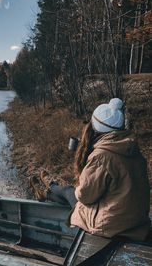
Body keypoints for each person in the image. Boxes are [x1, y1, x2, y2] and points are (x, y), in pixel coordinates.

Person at [30, 98, 151, 241]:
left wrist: (81, 180)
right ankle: (46, 192)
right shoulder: (132, 149)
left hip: (112, 224)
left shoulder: (102, 156)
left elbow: (85, 197)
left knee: (70, 191)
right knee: (71, 193)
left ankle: (50, 186)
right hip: (135, 220)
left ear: (95, 127)